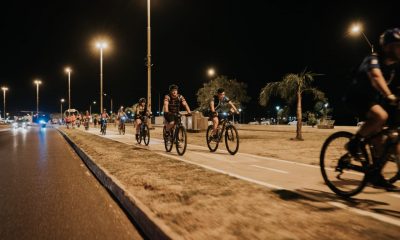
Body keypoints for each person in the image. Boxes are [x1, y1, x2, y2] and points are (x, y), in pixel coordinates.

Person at [345, 28, 400, 189]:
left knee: (384, 140)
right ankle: (354, 143)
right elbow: (376, 77)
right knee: (380, 116)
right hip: (356, 98)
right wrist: (389, 95)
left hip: (374, 102)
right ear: (388, 47)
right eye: (398, 45)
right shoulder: (373, 59)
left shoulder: (395, 67)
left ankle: (375, 175)